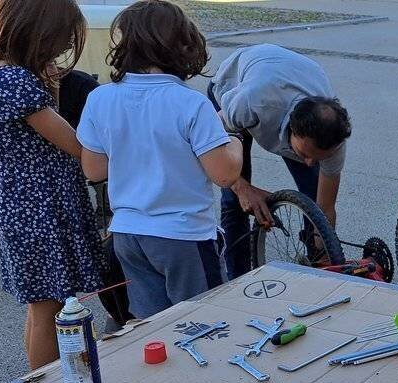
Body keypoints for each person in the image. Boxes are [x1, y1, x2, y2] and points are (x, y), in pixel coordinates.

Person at [77, 0, 242, 319]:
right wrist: (233, 141)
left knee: (151, 326)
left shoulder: (100, 98)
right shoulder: (191, 103)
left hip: (129, 234)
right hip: (184, 235)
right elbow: (224, 175)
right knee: (202, 322)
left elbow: (94, 170)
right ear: (184, 44)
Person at [0, 0, 105, 370]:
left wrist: (46, 77)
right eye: (61, 37)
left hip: (21, 195)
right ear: (37, 30)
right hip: (39, 202)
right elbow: (74, 144)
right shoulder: (15, 81)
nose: (65, 46)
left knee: (42, 305)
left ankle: (44, 381)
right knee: (49, 307)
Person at [207, 44, 351, 280]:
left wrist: (327, 259)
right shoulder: (252, 102)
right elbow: (209, 141)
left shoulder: (334, 140)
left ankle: (315, 269)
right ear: (292, 128)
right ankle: (237, 279)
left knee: (314, 197)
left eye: (318, 157)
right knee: (235, 201)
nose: (309, 162)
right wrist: (243, 188)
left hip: (288, 75)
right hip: (232, 88)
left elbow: (325, 208)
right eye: (304, 153)